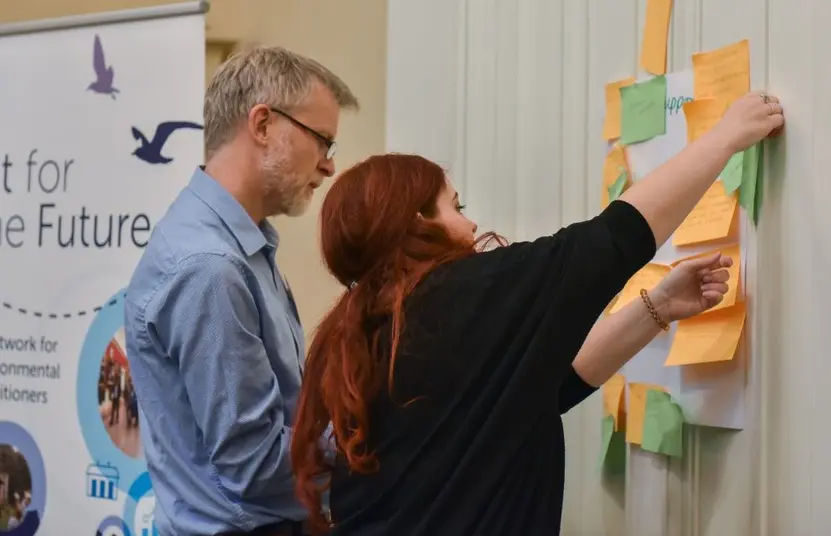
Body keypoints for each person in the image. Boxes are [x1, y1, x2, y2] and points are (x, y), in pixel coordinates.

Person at [291, 91, 784, 535]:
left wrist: (656, 307)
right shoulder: (458, 295)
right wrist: (724, 138)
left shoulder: (361, 326)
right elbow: (615, 238)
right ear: (419, 221)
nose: (472, 223)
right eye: (456, 206)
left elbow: (548, 388)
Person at [124, 46, 359, 536]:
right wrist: (370, 439)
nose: (329, 166)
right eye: (323, 141)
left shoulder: (241, 247)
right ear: (262, 124)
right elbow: (253, 466)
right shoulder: (209, 267)